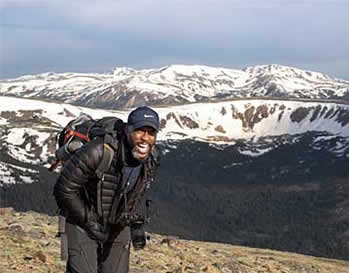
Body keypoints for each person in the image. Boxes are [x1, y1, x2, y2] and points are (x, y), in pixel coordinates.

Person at [53, 106, 160, 273]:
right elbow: (64, 189)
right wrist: (89, 222)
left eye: (151, 133)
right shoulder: (99, 150)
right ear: (128, 130)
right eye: (140, 131)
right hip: (81, 219)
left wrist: (137, 224)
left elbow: (138, 192)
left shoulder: (151, 159)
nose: (145, 138)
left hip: (117, 223)